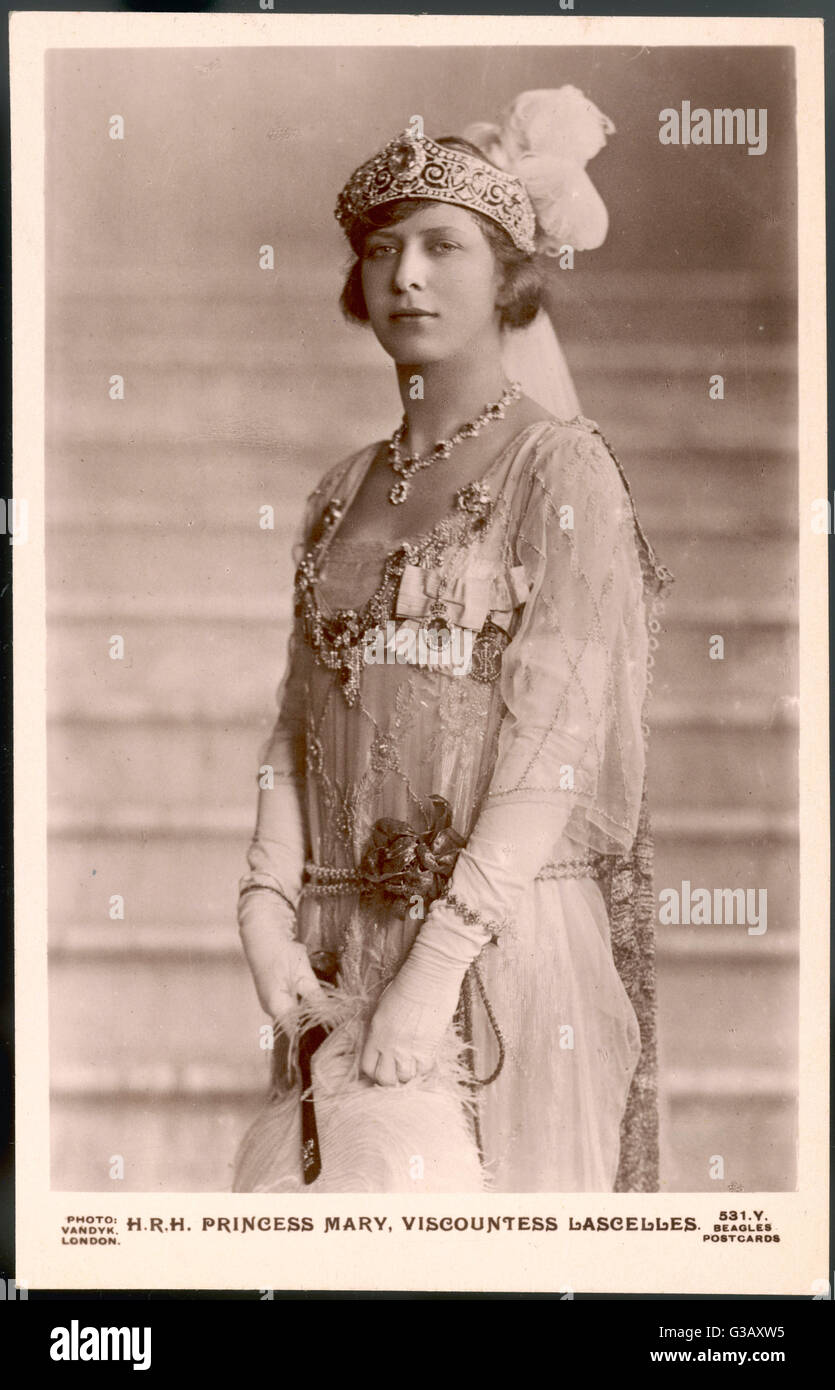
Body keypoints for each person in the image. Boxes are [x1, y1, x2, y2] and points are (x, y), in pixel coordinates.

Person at [231, 89, 672, 1195]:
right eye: (383, 250)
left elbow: (555, 742)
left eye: (444, 246)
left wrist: (433, 970)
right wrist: (264, 911)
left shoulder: (559, 471)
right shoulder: (340, 491)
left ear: (511, 274)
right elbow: (297, 720)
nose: (408, 276)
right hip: (335, 954)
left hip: (496, 951)